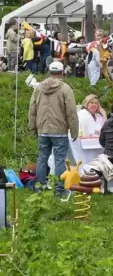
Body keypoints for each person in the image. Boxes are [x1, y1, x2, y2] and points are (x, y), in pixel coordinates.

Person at [29, 61, 79, 193]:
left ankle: (39, 188)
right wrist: (74, 131)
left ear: (48, 71)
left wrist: (33, 126)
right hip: (60, 131)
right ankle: (59, 189)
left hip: (43, 129)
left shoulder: (38, 88)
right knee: (59, 161)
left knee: (42, 159)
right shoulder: (65, 89)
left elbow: (32, 109)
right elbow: (71, 112)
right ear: (62, 72)